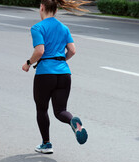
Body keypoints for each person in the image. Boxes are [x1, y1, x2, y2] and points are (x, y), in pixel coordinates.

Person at [22, 0, 89, 154]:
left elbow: (40, 51)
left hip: (45, 74)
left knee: (42, 109)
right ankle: (73, 121)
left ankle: (46, 144)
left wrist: (28, 63)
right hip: (64, 74)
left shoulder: (37, 27)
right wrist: (60, 61)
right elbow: (72, 50)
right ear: (56, 10)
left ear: (42, 8)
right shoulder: (63, 28)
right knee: (60, 111)